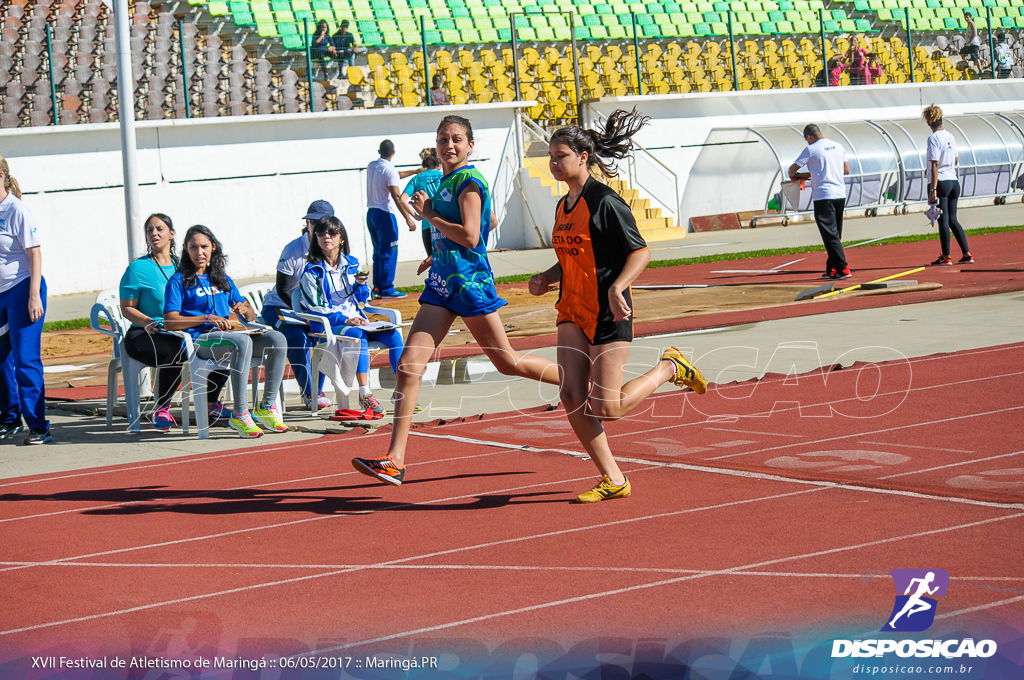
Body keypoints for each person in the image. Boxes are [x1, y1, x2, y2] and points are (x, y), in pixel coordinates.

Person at [351, 114, 560, 486]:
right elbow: (486, 223)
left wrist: (432, 216)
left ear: (470, 145)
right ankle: (395, 459)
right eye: (443, 139)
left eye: (457, 139)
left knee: (507, 361)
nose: (449, 145)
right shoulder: (446, 179)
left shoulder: (468, 180)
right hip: (441, 284)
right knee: (409, 364)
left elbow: (471, 234)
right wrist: (440, 250)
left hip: (469, 286)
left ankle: (576, 382)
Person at [527, 110, 707, 503]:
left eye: (560, 156)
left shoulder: (605, 201)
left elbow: (640, 252)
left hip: (608, 311)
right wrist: (546, 278)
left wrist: (618, 287)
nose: (554, 163)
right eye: (551, 157)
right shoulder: (563, 207)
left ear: (583, 156)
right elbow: (573, 257)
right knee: (572, 396)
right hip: (571, 310)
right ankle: (613, 478)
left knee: (607, 407)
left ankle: (670, 367)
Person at [163, 225, 289, 438]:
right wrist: (206, 318)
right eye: (193, 248)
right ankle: (240, 413)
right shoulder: (178, 281)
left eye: (204, 247)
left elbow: (248, 315)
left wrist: (245, 309)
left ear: (213, 247)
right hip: (200, 342)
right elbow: (169, 322)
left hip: (226, 339)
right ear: (186, 249)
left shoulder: (221, 279)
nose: (199, 252)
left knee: (276, 339)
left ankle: (266, 407)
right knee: (241, 343)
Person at [119, 213, 229, 431]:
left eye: (159, 229)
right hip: (145, 333)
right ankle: (161, 409)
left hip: (181, 330)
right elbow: (127, 308)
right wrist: (148, 322)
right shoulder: (138, 268)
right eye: (149, 230)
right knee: (175, 350)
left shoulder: (184, 265)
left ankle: (210, 402)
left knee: (222, 343)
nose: (154, 233)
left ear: (172, 233)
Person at [300, 215, 404, 415]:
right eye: (321, 233)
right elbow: (316, 308)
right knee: (358, 335)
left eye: (332, 232)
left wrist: (362, 286)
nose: (326, 237)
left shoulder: (351, 263)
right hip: (329, 325)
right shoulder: (312, 271)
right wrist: (346, 319)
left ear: (342, 238)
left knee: (393, 334)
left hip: (358, 319)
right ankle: (365, 393)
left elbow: (363, 300)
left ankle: (401, 389)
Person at [260, 200, 335, 413]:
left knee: (326, 335)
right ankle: (309, 392)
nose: (320, 230)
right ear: (308, 223)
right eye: (313, 222)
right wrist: (303, 314)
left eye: (326, 226)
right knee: (297, 336)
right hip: (281, 306)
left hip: (312, 310)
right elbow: (283, 289)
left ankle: (316, 390)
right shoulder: (293, 249)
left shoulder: (332, 247)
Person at [0, 155, 49, 445]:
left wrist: (33, 296)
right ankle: (9, 418)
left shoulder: (16, 210)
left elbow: (35, 253)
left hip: (22, 289)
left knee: (24, 357)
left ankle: (38, 424)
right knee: (1, 359)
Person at [787, 124, 852, 280]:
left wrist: (803, 175)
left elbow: (792, 170)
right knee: (835, 233)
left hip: (824, 195)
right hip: (840, 194)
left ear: (809, 137)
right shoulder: (838, 146)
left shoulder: (811, 149)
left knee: (830, 234)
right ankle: (832, 268)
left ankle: (843, 268)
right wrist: (816, 172)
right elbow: (846, 170)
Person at [365, 139, 422, 299]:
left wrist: (414, 171)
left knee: (378, 252)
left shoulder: (373, 165)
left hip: (372, 214)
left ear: (379, 151)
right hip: (385, 215)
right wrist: (408, 218)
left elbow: (394, 176)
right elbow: (397, 196)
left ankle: (377, 287)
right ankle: (387, 288)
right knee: (390, 251)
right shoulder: (389, 170)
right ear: (394, 152)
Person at [923, 104, 973, 265]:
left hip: (942, 181)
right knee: (953, 219)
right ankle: (966, 253)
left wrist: (933, 188)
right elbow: (956, 159)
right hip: (953, 180)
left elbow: (935, 164)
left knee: (943, 220)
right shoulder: (950, 136)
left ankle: (946, 256)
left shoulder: (933, 139)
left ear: (929, 122)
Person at [402, 147, 443, 256]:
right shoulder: (443, 177)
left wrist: (416, 216)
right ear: (439, 162)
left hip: (427, 225)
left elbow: (402, 199)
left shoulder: (417, 179)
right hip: (443, 223)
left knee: (431, 260)